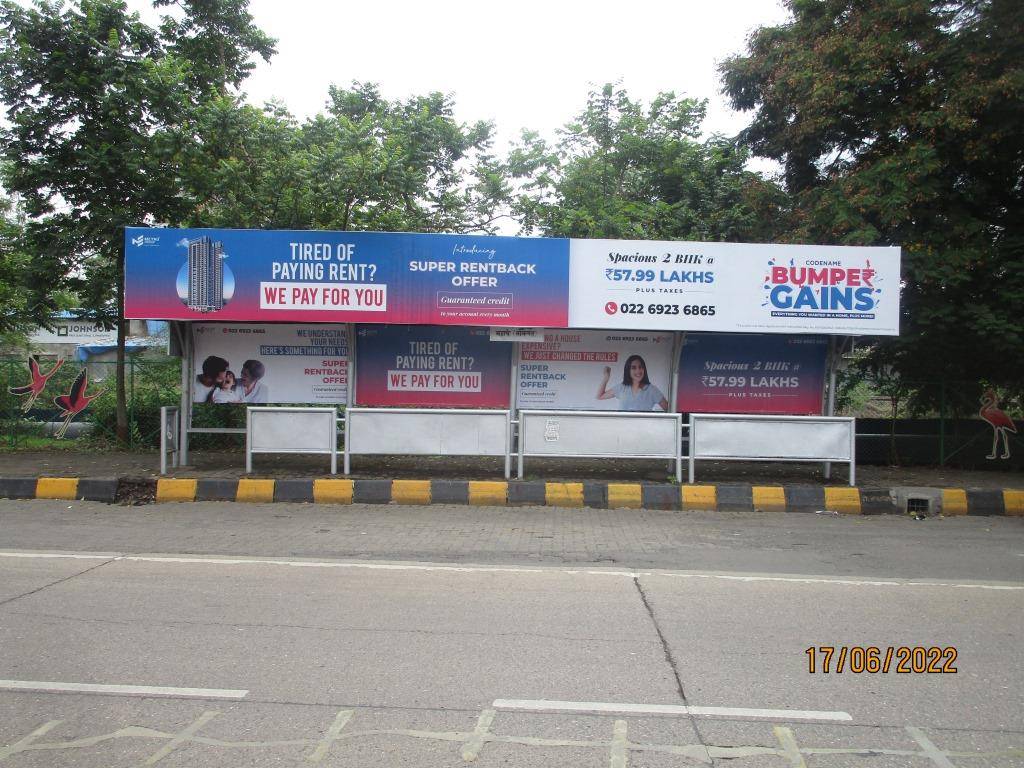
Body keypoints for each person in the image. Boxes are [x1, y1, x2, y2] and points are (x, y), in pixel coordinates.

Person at [597, 354, 669, 411]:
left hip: (644, 428)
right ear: (628, 370)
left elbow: (669, 410)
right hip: (622, 427)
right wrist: (606, 378)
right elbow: (600, 396)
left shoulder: (652, 390)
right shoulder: (622, 387)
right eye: (634, 368)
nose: (638, 371)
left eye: (640, 367)